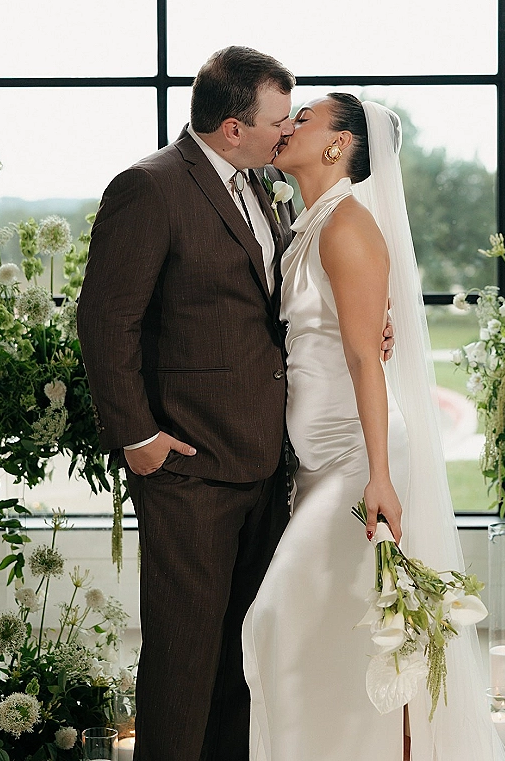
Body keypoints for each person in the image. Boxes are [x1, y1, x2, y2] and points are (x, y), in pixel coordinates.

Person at [77, 46, 395, 761]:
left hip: (266, 466)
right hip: (188, 470)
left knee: (239, 666)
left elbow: (280, 306)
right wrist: (139, 437)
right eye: (278, 121)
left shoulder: (262, 188)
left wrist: (366, 315)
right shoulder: (150, 188)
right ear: (231, 128)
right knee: (182, 666)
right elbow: (105, 319)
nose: (286, 133)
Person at [242, 95, 505, 761]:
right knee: (336, 640)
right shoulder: (308, 223)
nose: (286, 126)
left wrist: (380, 478)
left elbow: (366, 356)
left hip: (356, 465)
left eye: (302, 118)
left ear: (338, 145)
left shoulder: (348, 227)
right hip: (314, 466)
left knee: (273, 619)